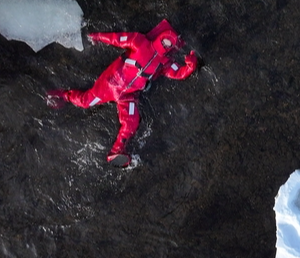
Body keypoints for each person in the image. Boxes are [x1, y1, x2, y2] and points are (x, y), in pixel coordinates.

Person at [47, 19, 198, 167]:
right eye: (166, 40)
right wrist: (99, 37)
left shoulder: (165, 63)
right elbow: (119, 39)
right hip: (112, 83)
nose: (166, 44)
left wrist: (191, 65)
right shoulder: (140, 42)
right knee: (86, 102)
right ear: (160, 37)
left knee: (132, 121)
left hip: (128, 95)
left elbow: (178, 73)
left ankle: (116, 150)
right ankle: (64, 95)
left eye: (170, 44)